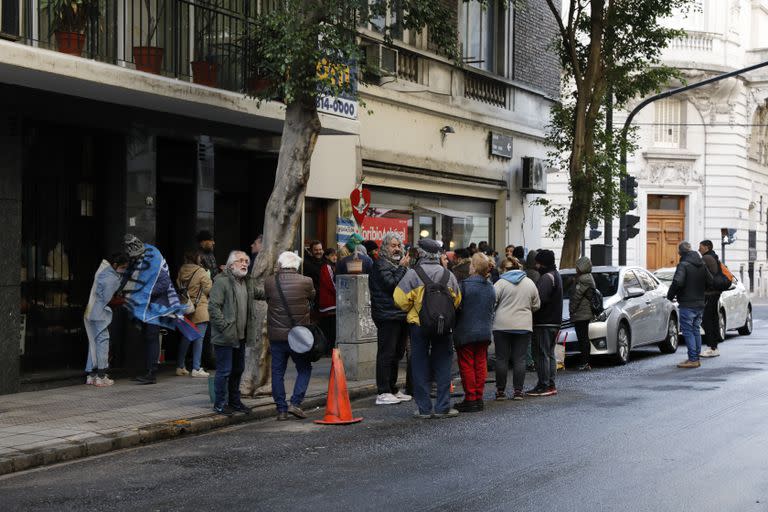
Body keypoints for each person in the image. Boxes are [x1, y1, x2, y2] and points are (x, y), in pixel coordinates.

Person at [394, 238, 462, 419]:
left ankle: (424, 409)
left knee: (419, 364)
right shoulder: (448, 275)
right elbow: (457, 300)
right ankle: (442, 407)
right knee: (443, 364)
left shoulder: (413, 274)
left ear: (420, 254)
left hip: (418, 325)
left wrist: (415, 308)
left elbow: (399, 300)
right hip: (443, 326)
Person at [122, 234, 188, 385]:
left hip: (155, 305)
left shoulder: (153, 259)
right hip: (143, 305)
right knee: (145, 337)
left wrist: (144, 292)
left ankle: (151, 372)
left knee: (152, 336)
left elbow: (164, 283)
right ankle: (144, 370)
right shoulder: (139, 258)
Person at [264, 251, 316, 420]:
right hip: (298, 336)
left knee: (278, 372)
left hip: (276, 336)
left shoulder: (270, 282)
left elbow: (267, 300)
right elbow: (312, 297)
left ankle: (281, 410)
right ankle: (295, 403)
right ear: (296, 265)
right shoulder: (306, 281)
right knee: (304, 368)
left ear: (280, 264)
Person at [208, 250, 253, 416]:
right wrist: (224, 327)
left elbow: (259, 294)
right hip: (225, 336)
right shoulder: (222, 281)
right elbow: (213, 307)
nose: (244, 264)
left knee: (238, 370)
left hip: (240, 337)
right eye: (241, 260)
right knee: (224, 371)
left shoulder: (246, 282)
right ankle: (219, 404)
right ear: (231, 264)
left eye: (246, 261)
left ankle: (234, 402)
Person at [369, 232, 413, 405]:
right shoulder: (380, 265)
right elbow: (391, 285)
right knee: (386, 354)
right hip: (387, 315)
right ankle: (383, 391)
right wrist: (402, 268)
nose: (397, 249)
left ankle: (393, 388)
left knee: (397, 354)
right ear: (385, 247)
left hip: (400, 315)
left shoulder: (397, 265)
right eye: (393, 246)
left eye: (398, 246)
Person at [452, 253, 496, 412]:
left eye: (471, 264)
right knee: (480, 364)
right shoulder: (490, 286)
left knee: (467, 365)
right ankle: (478, 397)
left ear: (474, 267)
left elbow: (456, 308)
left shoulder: (464, 285)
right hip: (484, 331)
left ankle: (470, 398)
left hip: (466, 331)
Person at [493, 257, 540, 400]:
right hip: (523, 326)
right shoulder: (529, 283)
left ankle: (500, 392)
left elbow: (492, 302)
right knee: (520, 359)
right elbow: (537, 304)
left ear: (504, 269)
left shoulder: (500, 283)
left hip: (502, 326)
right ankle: (518, 391)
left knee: (502, 359)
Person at [83, 253, 129, 387]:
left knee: (93, 343)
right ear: (115, 265)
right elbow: (109, 300)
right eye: (123, 267)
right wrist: (125, 300)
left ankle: (91, 375)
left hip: (91, 312)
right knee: (103, 342)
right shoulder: (111, 278)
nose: (124, 270)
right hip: (100, 314)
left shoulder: (102, 272)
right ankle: (101, 376)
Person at [667, 241, 711, 368]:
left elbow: (677, 282)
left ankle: (693, 359)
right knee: (696, 329)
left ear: (680, 252)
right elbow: (710, 281)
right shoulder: (701, 263)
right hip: (700, 303)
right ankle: (695, 357)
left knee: (688, 331)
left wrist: (670, 295)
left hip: (687, 303)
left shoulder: (683, 265)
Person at [527, 249, 563, 397]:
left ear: (542, 263)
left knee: (542, 354)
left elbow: (539, 301)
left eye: (538, 262)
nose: (536, 266)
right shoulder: (556, 275)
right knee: (549, 353)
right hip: (554, 321)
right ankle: (551, 384)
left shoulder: (546, 278)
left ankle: (544, 385)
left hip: (544, 322)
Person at [175, 248, 213, 378]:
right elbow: (209, 290)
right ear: (197, 258)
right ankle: (196, 368)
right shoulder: (201, 271)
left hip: (186, 307)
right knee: (199, 338)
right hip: (200, 308)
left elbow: (179, 286)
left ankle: (180, 366)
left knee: (187, 337)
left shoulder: (181, 270)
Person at [569, 256, 596, 371]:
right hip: (584, 312)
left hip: (581, 312)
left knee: (583, 338)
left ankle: (585, 362)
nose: (576, 268)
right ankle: (585, 362)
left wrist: (571, 309)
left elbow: (577, 296)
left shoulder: (583, 279)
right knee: (583, 337)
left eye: (578, 266)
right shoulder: (588, 277)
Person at [699, 240, 723, 358]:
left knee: (707, 319)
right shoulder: (713, 256)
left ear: (707, 247)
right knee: (713, 319)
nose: (699, 249)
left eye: (701, 247)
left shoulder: (706, 258)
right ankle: (714, 347)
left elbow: (702, 275)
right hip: (715, 292)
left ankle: (711, 347)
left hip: (710, 293)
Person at [318, 247, 338, 353]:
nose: (335, 257)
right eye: (332, 255)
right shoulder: (327, 267)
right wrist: (339, 293)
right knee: (330, 329)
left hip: (329, 302)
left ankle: (328, 349)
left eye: (335, 255)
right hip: (329, 303)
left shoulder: (331, 266)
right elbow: (331, 283)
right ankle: (329, 350)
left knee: (329, 329)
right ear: (326, 256)